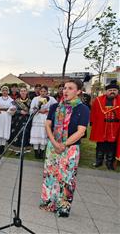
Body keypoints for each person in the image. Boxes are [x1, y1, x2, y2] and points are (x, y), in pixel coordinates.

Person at [40, 79, 90, 217]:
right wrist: (55, 143)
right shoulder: (55, 106)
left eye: (70, 88)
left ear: (79, 91)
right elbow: (47, 125)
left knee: (67, 178)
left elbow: (81, 131)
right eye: (64, 88)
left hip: (71, 149)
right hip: (53, 146)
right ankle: (48, 203)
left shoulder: (83, 109)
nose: (65, 91)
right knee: (50, 175)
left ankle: (63, 208)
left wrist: (63, 145)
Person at [90, 80, 120, 170]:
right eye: (110, 90)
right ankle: (99, 161)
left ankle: (109, 163)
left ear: (117, 91)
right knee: (100, 144)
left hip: (115, 127)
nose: (112, 92)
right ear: (106, 91)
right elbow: (93, 112)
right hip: (101, 126)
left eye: (114, 90)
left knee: (111, 145)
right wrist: (92, 122)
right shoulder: (98, 100)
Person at [30, 86, 57, 159]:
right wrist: (38, 110)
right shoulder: (35, 99)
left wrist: (47, 110)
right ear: (39, 92)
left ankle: (41, 152)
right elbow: (32, 108)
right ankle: (36, 152)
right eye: (41, 91)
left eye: (44, 91)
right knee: (36, 133)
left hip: (46, 118)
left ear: (47, 91)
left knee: (44, 134)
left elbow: (56, 107)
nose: (43, 93)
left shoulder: (51, 99)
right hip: (37, 118)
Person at [9, 87, 32, 155]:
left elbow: (33, 111)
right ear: (19, 92)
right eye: (21, 91)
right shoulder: (16, 101)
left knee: (25, 134)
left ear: (27, 92)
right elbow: (11, 110)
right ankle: (17, 150)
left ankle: (24, 149)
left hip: (27, 120)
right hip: (17, 121)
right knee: (17, 134)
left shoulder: (31, 101)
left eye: (24, 91)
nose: (23, 92)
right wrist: (20, 111)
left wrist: (27, 112)